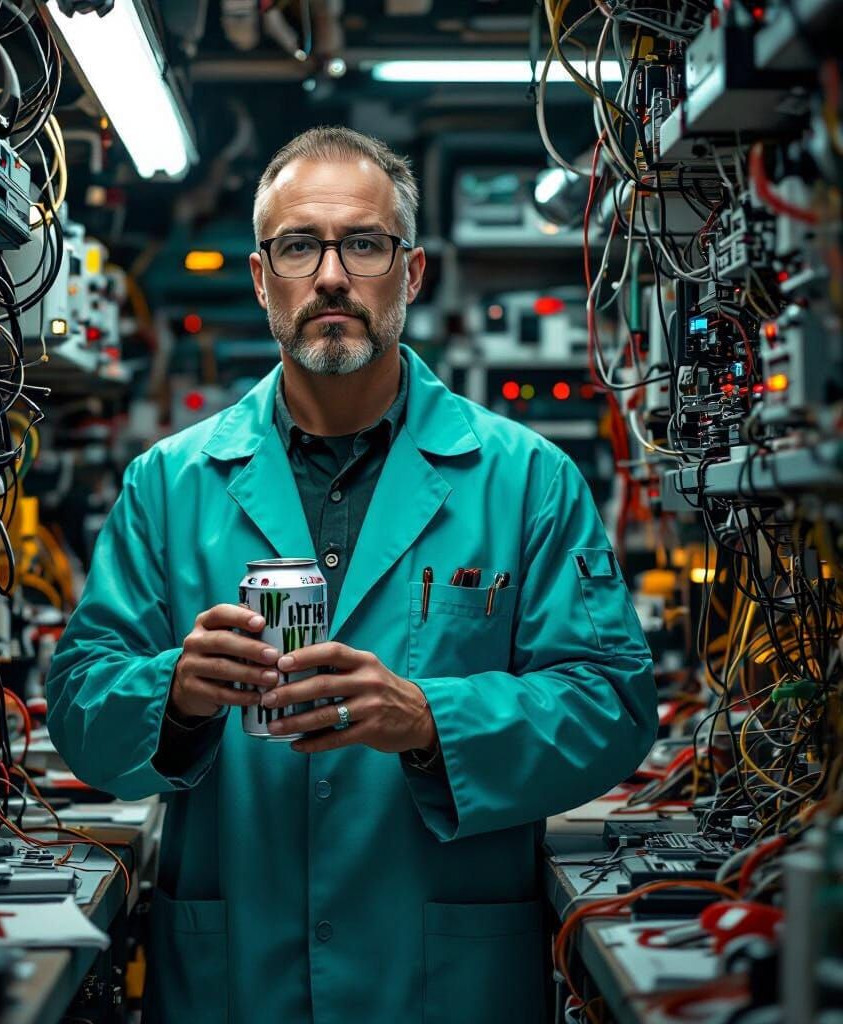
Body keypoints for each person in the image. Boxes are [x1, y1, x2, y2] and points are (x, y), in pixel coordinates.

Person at [46, 126, 657, 1024]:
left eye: (363, 244)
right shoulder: (168, 486)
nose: (331, 275)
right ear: (262, 280)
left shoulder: (526, 480)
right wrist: (172, 697)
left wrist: (430, 720)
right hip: (238, 980)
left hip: (446, 982)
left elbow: (612, 704)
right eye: (299, 245)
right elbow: (79, 703)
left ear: (409, 274)